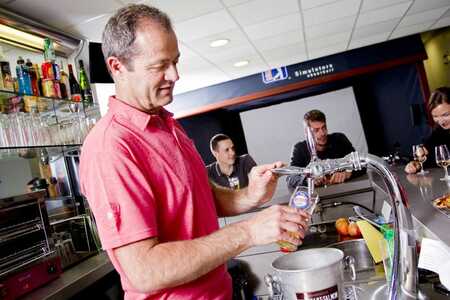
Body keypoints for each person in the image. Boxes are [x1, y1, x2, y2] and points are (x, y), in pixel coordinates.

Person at [79, 4, 309, 300]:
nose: (175, 75)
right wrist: (249, 232)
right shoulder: (111, 147)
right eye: (160, 65)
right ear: (117, 67)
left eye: (175, 61)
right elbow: (145, 270)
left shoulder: (166, 123)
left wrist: (250, 195)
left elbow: (199, 198)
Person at [287, 109, 361, 188]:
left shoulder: (339, 139)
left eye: (324, 127)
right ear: (307, 132)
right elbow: (291, 178)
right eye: (316, 130)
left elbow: (362, 164)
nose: (322, 133)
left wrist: (347, 173)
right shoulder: (299, 149)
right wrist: (309, 180)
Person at [405, 87, 450, 174]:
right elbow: (427, 155)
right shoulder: (439, 131)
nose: (441, 121)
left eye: (446, 115)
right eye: (435, 116)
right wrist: (416, 164)